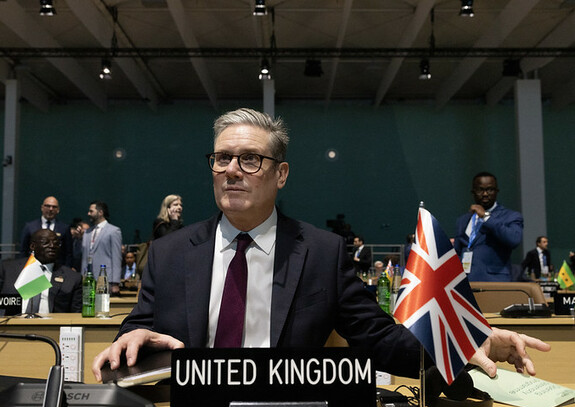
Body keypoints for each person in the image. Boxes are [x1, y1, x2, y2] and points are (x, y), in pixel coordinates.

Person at [92, 108, 550, 383]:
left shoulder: (323, 253)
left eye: (250, 159)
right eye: (222, 158)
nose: (232, 170)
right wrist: (129, 340)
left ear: (281, 174)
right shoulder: (171, 254)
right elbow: (135, 335)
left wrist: (472, 342)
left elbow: (381, 341)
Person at [0, 229, 82, 313]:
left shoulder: (73, 278)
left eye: (56, 243)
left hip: (51, 329)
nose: (52, 246)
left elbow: (76, 315)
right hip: (12, 327)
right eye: (46, 242)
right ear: (32, 246)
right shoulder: (8, 269)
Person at [454, 172, 524, 282]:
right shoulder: (463, 220)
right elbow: (458, 251)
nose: (485, 194)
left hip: (494, 282)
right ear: (473, 192)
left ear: (497, 191)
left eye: (490, 189)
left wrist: (485, 217)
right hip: (466, 283)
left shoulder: (510, 216)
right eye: (480, 190)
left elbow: (514, 239)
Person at [81, 201, 123, 295]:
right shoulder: (87, 232)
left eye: (91, 211)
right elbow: (84, 256)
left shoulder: (113, 231)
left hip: (105, 278)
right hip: (87, 278)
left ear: (100, 212)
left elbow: (116, 257)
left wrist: (115, 282)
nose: (88, 214)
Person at [19, 196, 73, 267]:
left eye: (54, 207)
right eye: (47, 206)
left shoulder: (64, 228)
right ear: (42, 208)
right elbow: (23, 250)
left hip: (57, 268)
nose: (51, 209)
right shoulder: (30, 227)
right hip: (33, 266)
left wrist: (66, 269)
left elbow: (68, 253)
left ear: (58, 210)